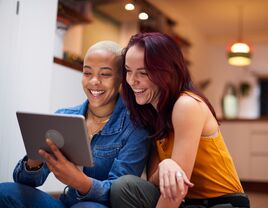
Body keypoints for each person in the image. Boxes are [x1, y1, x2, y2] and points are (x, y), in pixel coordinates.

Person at [0, 41, 150, 208]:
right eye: (87, 73)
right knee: (4, 192)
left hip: (98, 206)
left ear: (122, 79)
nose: (94, 81)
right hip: (66, 204)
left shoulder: (136, 128)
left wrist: (81, 182)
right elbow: (25, 181)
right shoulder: (64, 116)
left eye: (105, 74)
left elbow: (119, 194)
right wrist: (34, 161)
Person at [110, 32, 250, 208]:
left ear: (167, 72)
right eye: (128, 71)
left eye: (143, 73)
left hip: (223, 203)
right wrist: (165, 167)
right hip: (189, 203)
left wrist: (169, 167)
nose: (131, 80)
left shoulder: (186, 105)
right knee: (125, 187)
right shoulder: (153, 112)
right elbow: (156, 184)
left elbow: (176, 190)